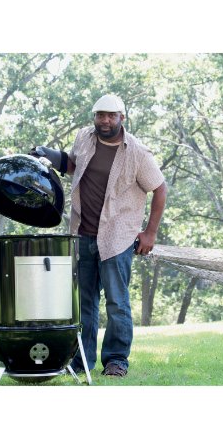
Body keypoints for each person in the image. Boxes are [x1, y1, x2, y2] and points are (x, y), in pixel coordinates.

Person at [33, 94, 167, 377]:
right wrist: (49, 155)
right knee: (84, 303)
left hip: (117, 238)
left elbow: (160, 188)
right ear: (94, 116)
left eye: (111, 116)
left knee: (117, 303)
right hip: (82, 234)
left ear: (122, 118)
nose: (105, 121)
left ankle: (116, 360)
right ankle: (81, 360)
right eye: (100, 115)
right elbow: (75, 166)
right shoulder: (84, 137)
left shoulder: (137, 152)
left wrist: (150, 233)